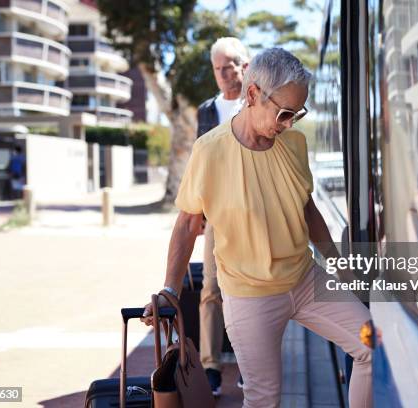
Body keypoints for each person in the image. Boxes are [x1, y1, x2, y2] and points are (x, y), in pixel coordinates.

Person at [142, 48, 372, 408]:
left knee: (371, 345)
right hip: (250, 294)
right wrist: (170, 287)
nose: (289, 124)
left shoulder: (294, 143)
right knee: (264, 398)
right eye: (283, 113)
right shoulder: (210, 151)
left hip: (306, 279)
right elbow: (188, 223)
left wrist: (338, 264)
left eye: (297, 114)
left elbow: (307, 209)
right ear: (253, 96)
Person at [196, 37, 250, 396]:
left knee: (251, 289)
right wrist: (199, 210)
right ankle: (210, 368)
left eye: (230, 64)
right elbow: (200, 162)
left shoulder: (258, 102)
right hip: (217, 210)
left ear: (245, 65)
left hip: (255, 210)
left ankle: (250, 364)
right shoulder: (207, 110)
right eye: (218, 67)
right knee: (211, 289)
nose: (225, 72)